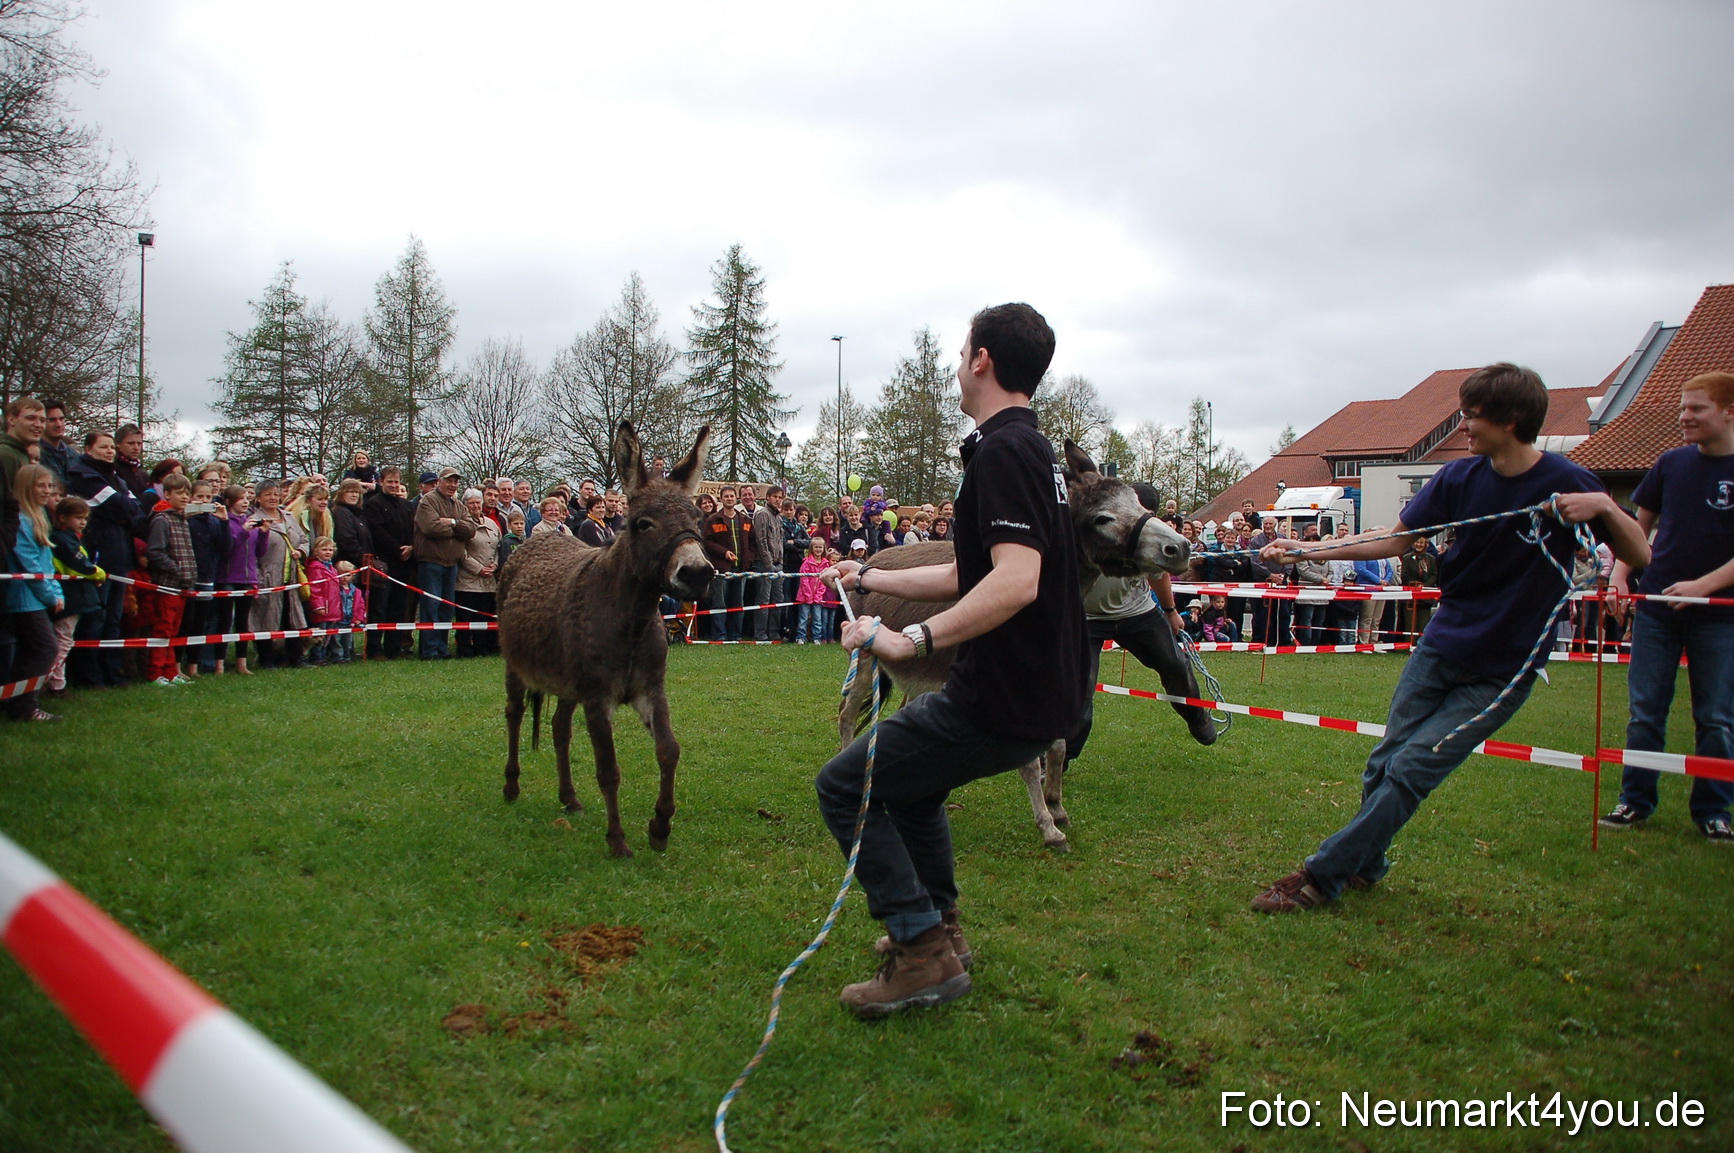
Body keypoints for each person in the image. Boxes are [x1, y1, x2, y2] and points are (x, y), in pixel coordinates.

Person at [1250, 363, 1649, 912]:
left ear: (1509, 421)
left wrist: (1606, 506)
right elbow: (1393, 542)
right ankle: (1369, 863)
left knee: (1413, 768)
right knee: (1383, 764)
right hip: (1441, 647)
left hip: (1502, 670)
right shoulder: (1457, 480)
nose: (1462, 425)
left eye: (1471, 414)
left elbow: (1640, 555)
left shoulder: (1569, 481)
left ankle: (1323, 877)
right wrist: (1306, 553)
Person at [815, 302, 1087, 1017]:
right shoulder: (1027, 450)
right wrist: (869, 576)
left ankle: (921, 949)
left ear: (982, 360)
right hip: (1031, 694)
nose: (956, 363)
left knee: (846, 786)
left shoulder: (1006, 451)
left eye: (961, 349)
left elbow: (1016, 580)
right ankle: (942, 928)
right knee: (911, 788)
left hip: (1002, 695)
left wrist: (913, 642)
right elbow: (971, 572)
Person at [1600, 371, 1734, 841]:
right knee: (1645, 712)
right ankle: (1634, 801)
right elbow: (1635, 530)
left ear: (1728, 412)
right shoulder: (1670, 464)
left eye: (1696, 408)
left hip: (1720, 615)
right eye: (1682, 407)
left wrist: (1703, 585)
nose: (1684, 417)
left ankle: (1714, 811)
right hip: (1656, 607)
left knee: (1716, 716)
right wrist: (1619, 575)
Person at [1065, 482, 1217, 763]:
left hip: (1137, 612)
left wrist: (1171, 612)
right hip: (1087, 618)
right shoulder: (1101, 525)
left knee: (1175, 666)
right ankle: (1063, 758)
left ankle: (1196, 716)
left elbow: (1159, 575)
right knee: (1081, 688)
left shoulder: (1152, 535)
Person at [6, 464, 62, 719]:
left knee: (34, 650)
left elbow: (46, 561)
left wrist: (57, 591)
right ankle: (24, 706)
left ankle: (18, 703)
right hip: (23, 598)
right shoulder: (20, 519)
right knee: (44, 649)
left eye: (50, 486)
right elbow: (30, 564)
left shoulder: (39, 516)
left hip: (36, 596)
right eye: (41, 485)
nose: (47, 491)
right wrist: (50, 595)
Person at [412, 467, 476, 660]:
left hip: (451, 564)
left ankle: (442, 647)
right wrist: (457, 528)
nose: (452, 485)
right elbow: (431, 528)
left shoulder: (458, 505)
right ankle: (429, 649)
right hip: (431, 561)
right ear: (440, 481)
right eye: (449, 481)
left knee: (446, 607)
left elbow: (470, 529)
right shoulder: (428, 501)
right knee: (431, 605)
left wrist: (452, 523)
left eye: (456, 482)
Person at [248, 480, 310, 669]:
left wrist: (300, 551)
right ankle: (267, 659)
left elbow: (303, 539)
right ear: (258, 498)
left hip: (289, 577)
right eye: (268, 494)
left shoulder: (289, 517)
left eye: (275, 494)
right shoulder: (254, 520)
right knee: (265, 619)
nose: (273, 498)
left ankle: (296, 658)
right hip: (266, 576)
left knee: (291, 618)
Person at [144, 473, 198, 686]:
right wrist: (176, 569)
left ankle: (170, 671)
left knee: (174, 630)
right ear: (166, 494)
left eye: (187, 493)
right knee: (163, 629)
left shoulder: (182, 519)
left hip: (182, 584)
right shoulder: (162, 519)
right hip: (168, 584)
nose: (184, 497)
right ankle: (155, 672)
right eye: (179, 493)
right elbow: (155, 552)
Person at [47, 495, 101, 697]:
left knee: (64, 640)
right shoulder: (61, 539)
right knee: (62, 641)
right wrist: (97, 572)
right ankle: (53, 684)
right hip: (68, 598)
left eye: (85, 518)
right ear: (62, 517)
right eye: (78, 518)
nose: (82, 522)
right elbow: (79, 564)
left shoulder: (73, 538)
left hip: (76, 597)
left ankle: (56, 682)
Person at [362, 467, 416, 660]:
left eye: (396, 482)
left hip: (404, 565)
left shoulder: (407, 505)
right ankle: (374, 649)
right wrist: (398, 548)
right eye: (390, 482)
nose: (394, 485)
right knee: (379, 609)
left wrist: (411, 547)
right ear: (381, 482)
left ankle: (394, 648)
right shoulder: (373, 504)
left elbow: (414, 529)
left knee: (399, 609)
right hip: (383, 565)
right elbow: (377, 531)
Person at [184, 477, 232, 677]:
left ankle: (194, 666)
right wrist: (189, 512)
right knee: (185, 623)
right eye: (199, 497)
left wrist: (224, 522)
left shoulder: (214, 521)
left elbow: (225, 548)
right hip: (187, 576)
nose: (204, 500)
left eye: (208, 497)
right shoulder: (185, 519)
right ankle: (178, 665)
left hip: (207, 576)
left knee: (200, 624)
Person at [215, 485, 266, 676]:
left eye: (247, 498)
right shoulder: (226, 523)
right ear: (229, 502)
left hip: (248, 578)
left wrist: (264, 534)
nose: (245, 502)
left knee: (243, 623)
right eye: (240, 499)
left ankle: (241, 663)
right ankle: (219, 663)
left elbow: (260, 552)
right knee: (225, 621)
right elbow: (227, 549)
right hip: (228, 577)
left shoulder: (251, 523)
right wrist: (244, 531)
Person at [701, 484, 750, 641]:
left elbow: (753, 542)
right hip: (721, 568)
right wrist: (724, 553)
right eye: (726, 496)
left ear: (736, 498)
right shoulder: (713, 520)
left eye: (731, 496)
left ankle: (736, 635)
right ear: (721, 500)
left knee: (738, 604)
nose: (729, 498)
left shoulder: (744, 519)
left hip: (741, 568)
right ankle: (719, 635)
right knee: (719, 603)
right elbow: (707, 542)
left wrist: (748, 558)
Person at [456, 488, 501, 657]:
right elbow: (461, 551)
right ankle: (465, 648)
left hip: (489, 580)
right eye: (471, 503)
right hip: (467, 580)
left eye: (477, 502)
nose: (475, 506)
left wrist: (495, 565)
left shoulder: (491, 523)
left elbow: (498, 547)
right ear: (465, 505)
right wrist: (478, 569)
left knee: (483, 616)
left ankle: (482, 648)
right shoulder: (463, 524)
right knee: (466, 616)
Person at [304, 537, 344, 665]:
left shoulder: (332, 568)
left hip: (333, 608)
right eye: (324, 549)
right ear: (316, 551)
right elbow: (314, 589)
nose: (328, 552)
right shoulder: (315, 568)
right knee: (318, 635)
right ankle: (317, 657)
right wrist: (318, 606)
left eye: (331, 549)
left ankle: (325, 655)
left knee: (328, 635)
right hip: (322, 609)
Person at [1398, 533, 1438, 640]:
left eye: (1421, 542)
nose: (1419, 545)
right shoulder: (1407, 558)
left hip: (1425, 595)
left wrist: (1424, 585)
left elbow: (1434, 575)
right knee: (1410, 622)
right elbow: (1404, 575)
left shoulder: (1431, 559)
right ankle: (1409, 645)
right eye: (1417, 542)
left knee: (1423, 622)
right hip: (1411, 594)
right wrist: (1415, 584)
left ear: (1426, 544)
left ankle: (1421, 645)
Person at [794, 536, 829, 644]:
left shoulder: (826, 564)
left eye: (820, 547)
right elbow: (804, 580)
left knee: (817, 618)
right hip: (804, 596)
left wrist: (818, 595)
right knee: (803, 618)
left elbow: (824, 582)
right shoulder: (807, 563)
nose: (818, 549)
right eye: (816, 547)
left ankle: (816, 638)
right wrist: (808, 595)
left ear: (823, 549)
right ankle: (801, 636)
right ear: (811, 549)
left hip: (818, 597)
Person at [37, 399, 73, 488]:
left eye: (61, 419)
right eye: (52, 420)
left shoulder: (73, 455)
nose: (59, 424)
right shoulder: (35, 454)